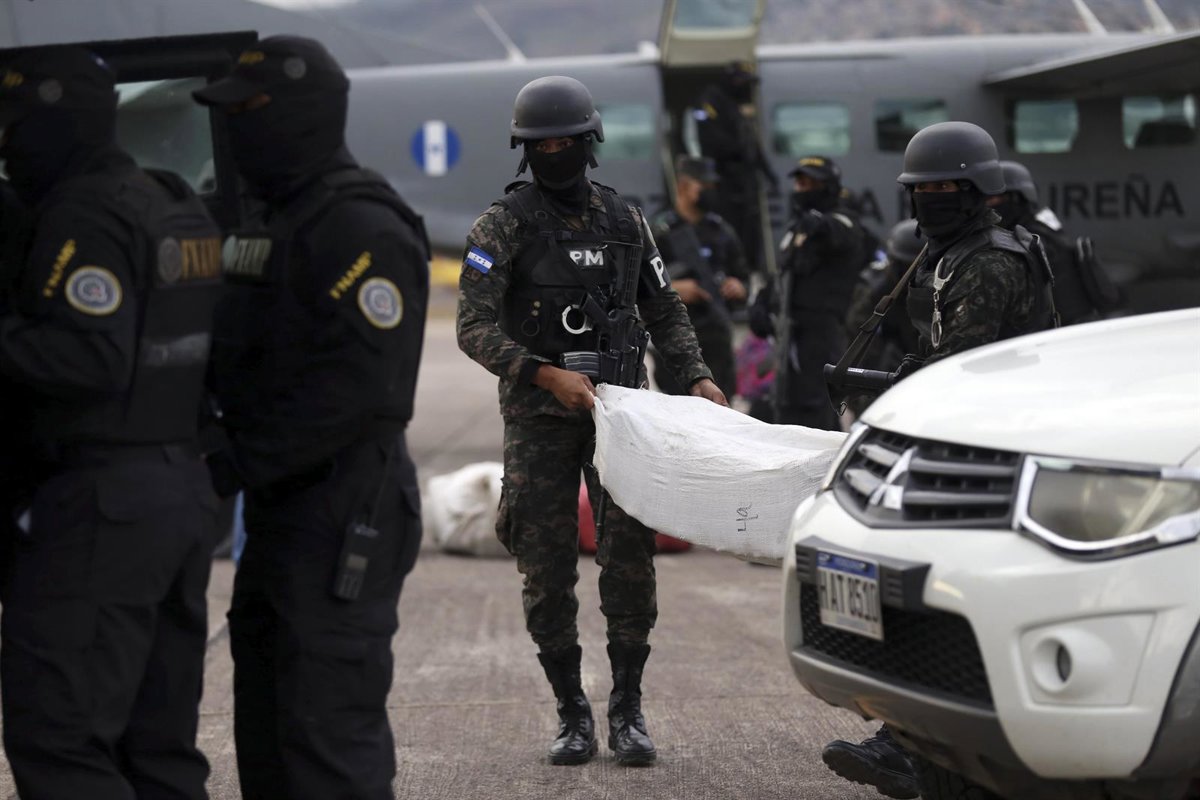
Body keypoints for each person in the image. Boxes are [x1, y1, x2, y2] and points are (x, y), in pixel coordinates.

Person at [457, 75, 726, 768]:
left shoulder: (625, 221)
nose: (555, 154)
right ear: (525, 150)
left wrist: (696, 375)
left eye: (567, 143)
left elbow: (663, 308)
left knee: (630, 559)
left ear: (589, 142)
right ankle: (571, 710)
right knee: (544, 567)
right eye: (542, 145)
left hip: (621, 415)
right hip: (539, 418)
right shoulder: (502, 226)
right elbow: (473, 326)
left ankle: (627, 707)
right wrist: (544, 374)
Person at [193, 36, 429, 800]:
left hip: (342, 502)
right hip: (281, 503)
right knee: (269, 716)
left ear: (299, 115)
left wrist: (228, 462)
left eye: (249, 113)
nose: (235, 132)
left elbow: (356, 392)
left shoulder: (359, 226)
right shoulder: (271, 218)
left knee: (326, 729)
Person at [0, 45, 222, 799]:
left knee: (60, 739)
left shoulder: (82, 214)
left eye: (14, 127)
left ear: (52, 125)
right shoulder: (170, 201)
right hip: (176, 488)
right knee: (155, 747)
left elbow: (89, 356)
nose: (7, 146)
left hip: (103, 504)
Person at [821, 121, 1056, 798]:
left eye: (946, 189)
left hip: (995, 451)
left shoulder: (988, 261)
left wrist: (895, 387)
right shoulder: (947, 253)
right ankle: (916, 745)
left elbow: (962, 368)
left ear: (978, 191)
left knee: (940, 597)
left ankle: (915, 746)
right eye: (922, 191)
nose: (931, 201)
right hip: (968, 443)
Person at [749, 155, 870, 428]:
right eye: (800, 184)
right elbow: (782, 275)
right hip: (789, 336)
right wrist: (762, 303)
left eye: (812, 184)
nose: (803, 190)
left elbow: (839, 232)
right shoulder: (795, 231)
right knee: (782, 408)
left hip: (823, 337)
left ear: (829, 187)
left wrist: (820, 225)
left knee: (818, 411)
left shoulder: (842, 222)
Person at [650, 155, 748, 398]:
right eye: (703, 186)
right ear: (683, 186)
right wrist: (673, 289)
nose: (710, 191)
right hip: (676, 345)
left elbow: (742, 276)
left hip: (717, 337)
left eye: (712, 186)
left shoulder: (721, 230)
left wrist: (738, 287)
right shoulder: (660, 231)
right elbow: (640, 286)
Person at [989, 159, 1121, 324]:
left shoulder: (1033, 239)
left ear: (1018, 198)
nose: (988, 205)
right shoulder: (1042, 228)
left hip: (1065, 331)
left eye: (995, 199)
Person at [693, 61, 778, 273]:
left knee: (749, 231)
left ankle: (747, 272)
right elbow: (712, 141)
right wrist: (740, 152)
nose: (746, 88)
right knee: (728, 230)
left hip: (743, 182)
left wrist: (767, 172)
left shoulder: (734, 106)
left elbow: (751, 144)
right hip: (724, 180)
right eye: (742, 82)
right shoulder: (711, 101)